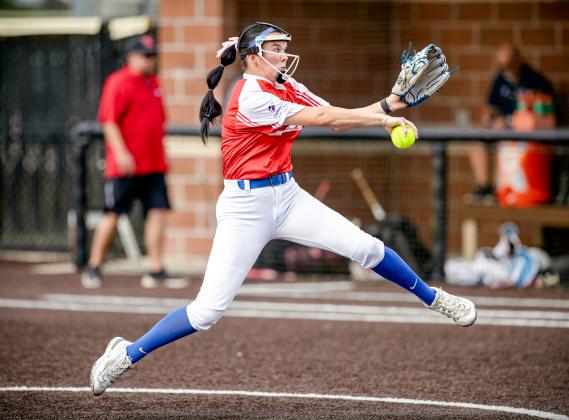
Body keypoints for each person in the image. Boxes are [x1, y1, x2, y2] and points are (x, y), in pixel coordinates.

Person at [89, 22, 477, 396]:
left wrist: (387, 105)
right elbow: (325, 118)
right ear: (253, 57)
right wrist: (382, 116)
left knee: (368, 248)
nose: (283, 53)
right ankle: (125, 354)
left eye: (282, 46)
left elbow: (336, 119)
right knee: (206, 313)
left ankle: (434, 298)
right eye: (274, 48)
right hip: (245, 207)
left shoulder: (286, 84)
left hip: (287, 195)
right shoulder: (251, 95)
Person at [81, 35, 188, 290]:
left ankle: (155, 268)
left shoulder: (153, 83)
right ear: (131, 57)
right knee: (113, 213)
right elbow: (109, 121)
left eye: (152, 55)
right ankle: (94, 265)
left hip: (154, 163)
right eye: (145, 55)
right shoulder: (118, 82)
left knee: (158, 211)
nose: (151, 60)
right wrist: (121, 153)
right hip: (126, 166)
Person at [466, 43, 555, 204]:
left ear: (518, 60)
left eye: (509, 65)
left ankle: (498, 191)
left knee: (504, 143)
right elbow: (489, 106)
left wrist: (510, 121)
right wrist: (489, 117)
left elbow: (543, 116)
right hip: (501, 129)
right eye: (502, 67)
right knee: (476, 141)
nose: (507, 71)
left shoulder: (536, 80)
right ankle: (485, 187)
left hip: (526, 135)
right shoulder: (500, 79)